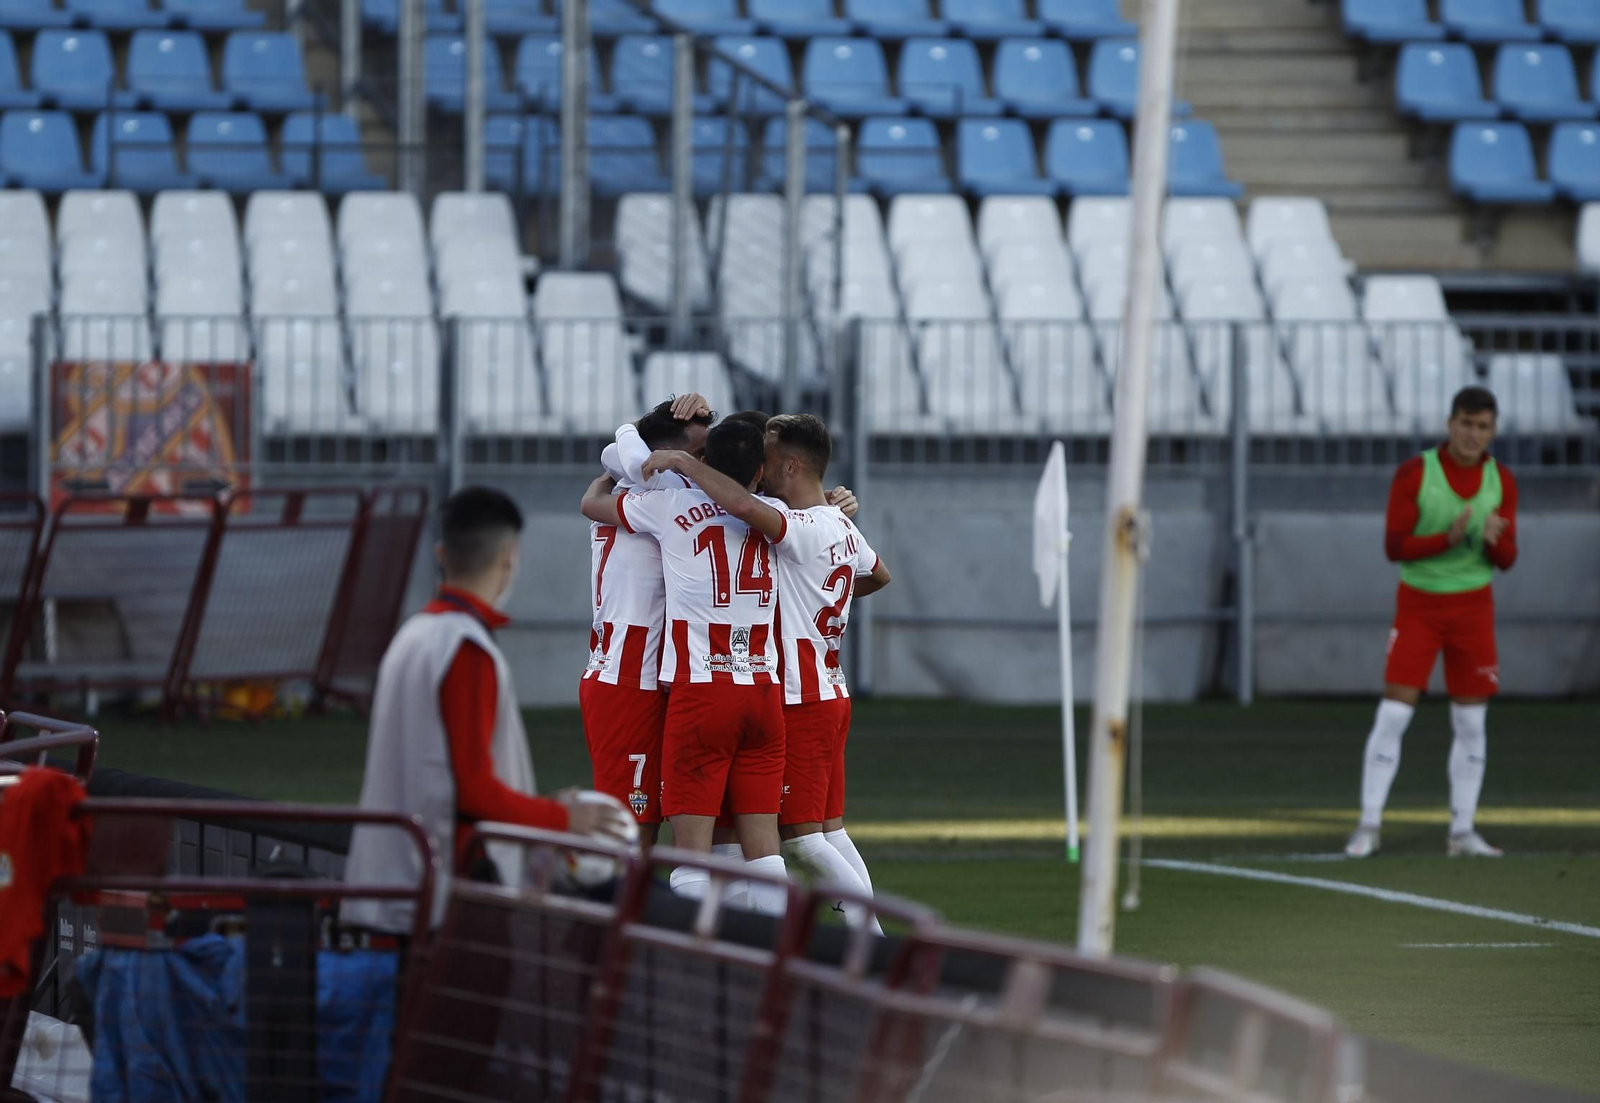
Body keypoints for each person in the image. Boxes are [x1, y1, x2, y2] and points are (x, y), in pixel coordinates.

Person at [344, 487, 632, 934]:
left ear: (442, 553)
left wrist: (542, 807)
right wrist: (563, 819)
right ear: (509, 557)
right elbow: (473, 790)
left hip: (397, 878)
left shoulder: (413, 635)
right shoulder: (465, 647)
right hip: (448, 891)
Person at [641, 414, 890, 930]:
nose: (764, 471)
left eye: (773, 462)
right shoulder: (830, 521)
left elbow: (738, 502)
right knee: (814, 833)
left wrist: (683, 462)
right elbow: (877, 574)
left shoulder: (790, 524)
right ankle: (778, 944)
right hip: (811, 689)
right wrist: (831, 593)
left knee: (802, 838)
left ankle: (872, 939)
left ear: (792, 465)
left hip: (792, 694)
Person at [581, 419, 789, 913]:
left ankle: (687, 957)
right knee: (759, 849)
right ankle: (772, 962)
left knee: (689, 856)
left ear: (703, 464)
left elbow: (594, 498)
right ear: (762, 470)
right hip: (762, 690)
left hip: (699, 690)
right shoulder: (780, 513)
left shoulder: (668, 503)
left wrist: (638, 435)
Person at [1346, 386, 1518, 860]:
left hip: (1473, 611)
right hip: (1419, 607)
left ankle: (1462, 832)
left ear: (1492, 431)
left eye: (1482, 426)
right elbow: (1394, 546)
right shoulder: (1416, 473)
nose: (1472, 434)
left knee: (1471, 721)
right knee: (1396, 713)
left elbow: (1507, 558)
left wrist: (1489, 542)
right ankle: (1368, 824)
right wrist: (1448, 538)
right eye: (1465, 423)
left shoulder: (1501, 479)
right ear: (1450, 424)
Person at [582, 394, 714, 846]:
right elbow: (627, 454)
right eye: (697, 455)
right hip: (628, 676)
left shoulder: (653, 491)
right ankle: (609, 915)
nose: (703, 466)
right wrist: (632, 427)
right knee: (630, 832)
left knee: (668, 820)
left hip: (658, 675)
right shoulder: (659, 489)